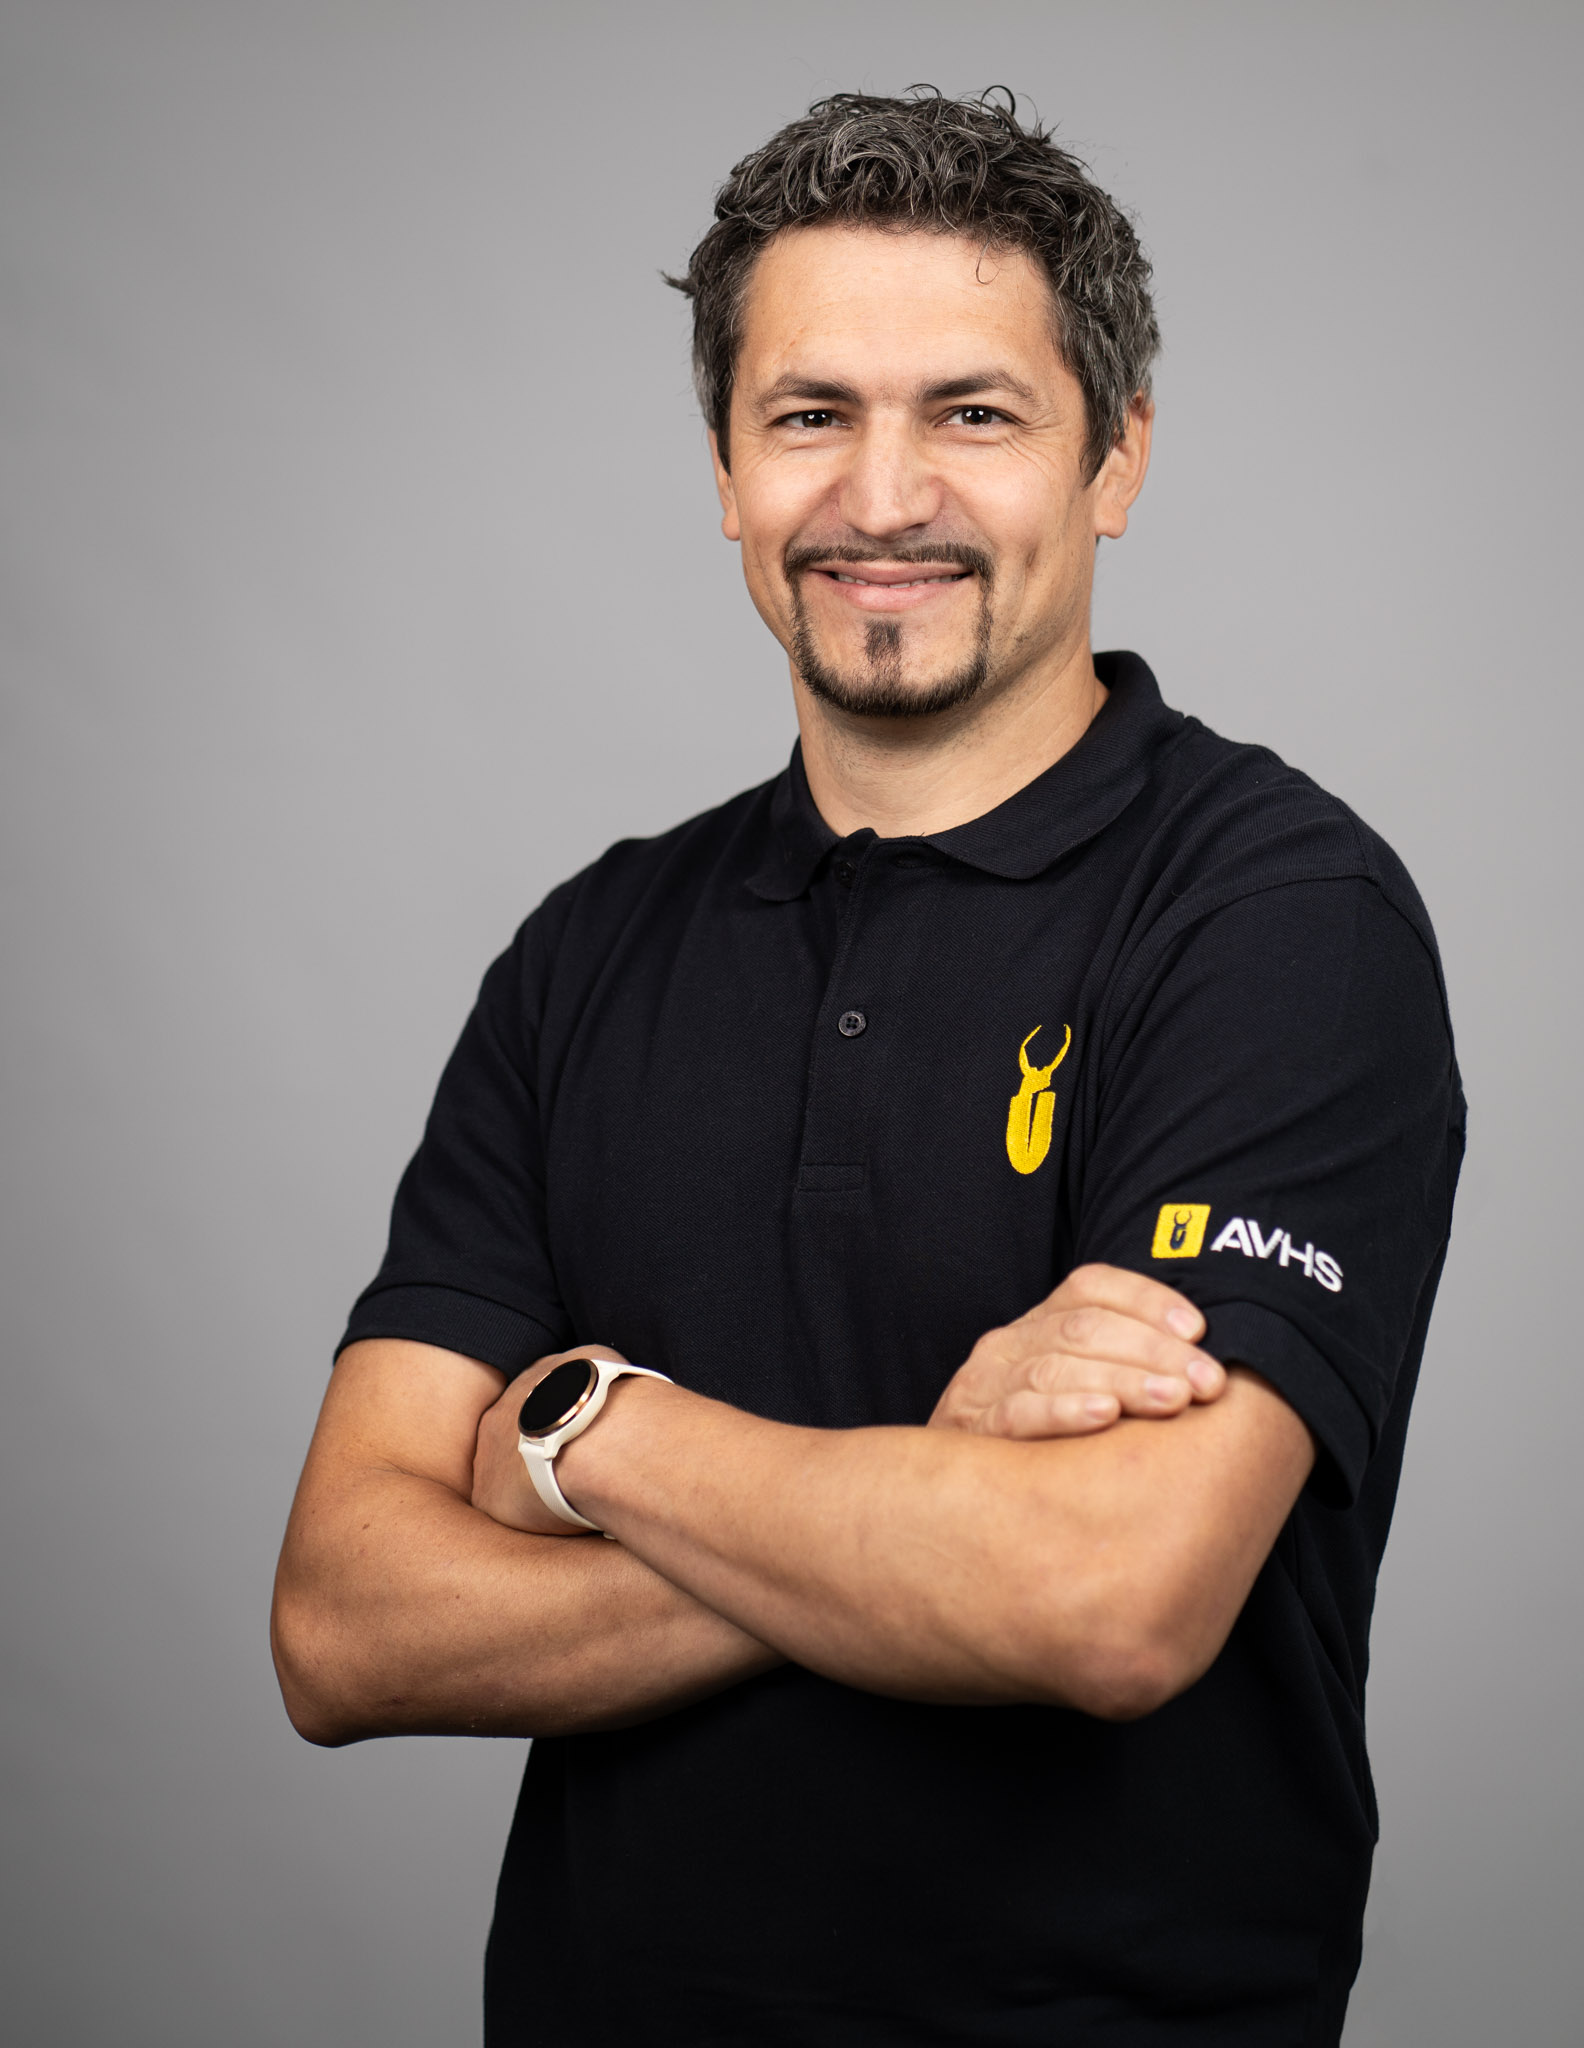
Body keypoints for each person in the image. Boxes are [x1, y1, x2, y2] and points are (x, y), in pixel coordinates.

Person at [273, 87, 1465, 2047]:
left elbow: (1104, 1598)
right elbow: (342, 1624)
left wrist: (583, 1437)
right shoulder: (588, 952)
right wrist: (933, 1482)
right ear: (726, 471)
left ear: (1115, 456)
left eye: (971, 414)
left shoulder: (1276, 916)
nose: (882, 496)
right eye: (809, 414)